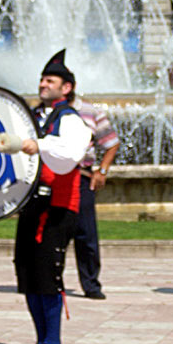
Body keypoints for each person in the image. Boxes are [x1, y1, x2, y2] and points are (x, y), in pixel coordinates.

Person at [12, 50, 91, 344]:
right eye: (42, 79)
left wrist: (40, 144)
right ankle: (41, 341)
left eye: (50, 80)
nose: (43, 84)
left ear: (66, 88)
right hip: (33, 203)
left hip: (58, 206)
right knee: (28, 274)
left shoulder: (70, 119)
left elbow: (71, 153)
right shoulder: (33, 116)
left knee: (47, 276)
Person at [71, 96, 119, 299]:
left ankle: (91, 284)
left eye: (49, 81)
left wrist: (103, 170)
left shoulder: (90, 111)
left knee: (86, 234)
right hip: (51, 179)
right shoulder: (41, 112)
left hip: (81, 177)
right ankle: (47, 282)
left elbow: (112, 143)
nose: (43, 86)